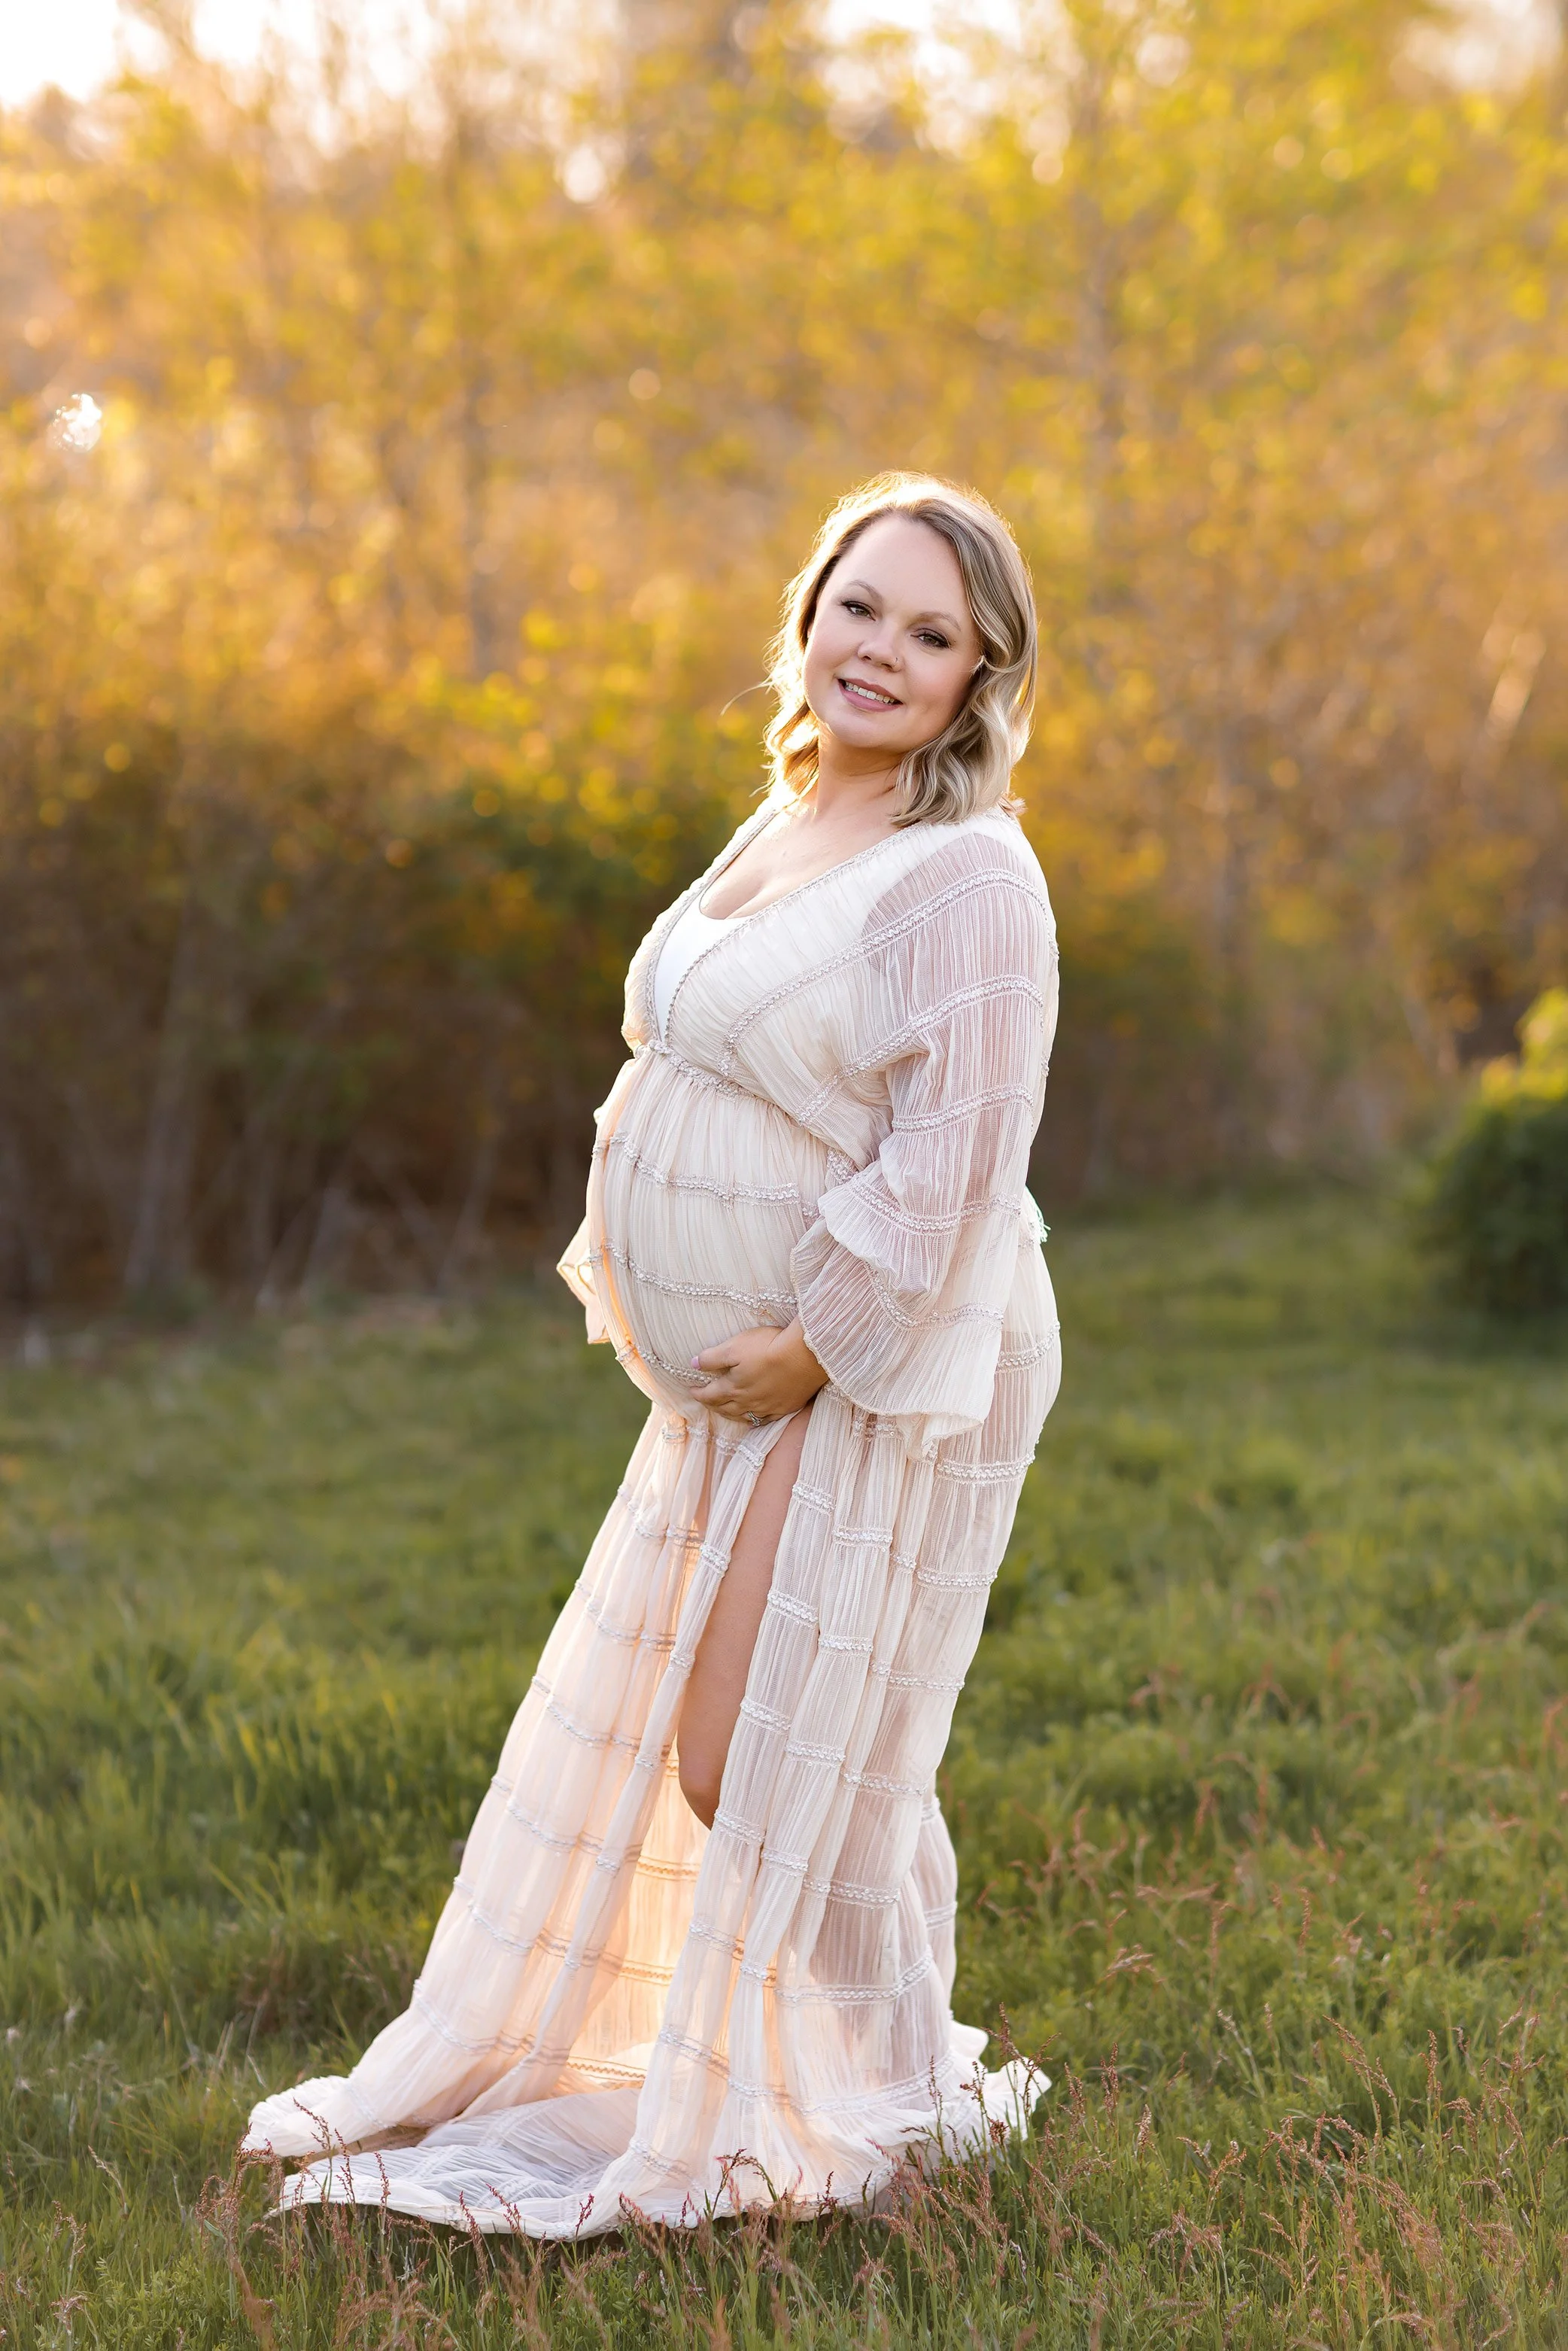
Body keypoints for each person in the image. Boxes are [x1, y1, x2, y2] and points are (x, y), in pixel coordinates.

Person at [242, 473, 1062, 2237]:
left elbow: (961, 1164)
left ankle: (878, 2083)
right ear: (812, 606)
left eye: (931, 633)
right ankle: (879, 2069)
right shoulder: (785, 814)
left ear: (977, 675)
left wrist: (814, 1346)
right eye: (863, 606)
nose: (882, 651)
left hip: (877, 1363)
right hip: (737, 1378)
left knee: (756, 1747)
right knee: (786, 1735)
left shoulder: (967, 880)